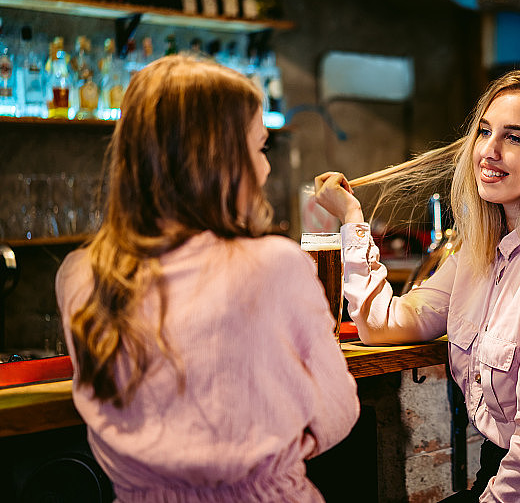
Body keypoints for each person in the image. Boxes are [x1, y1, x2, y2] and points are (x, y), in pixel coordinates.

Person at [314, 70, 520, 502]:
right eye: (485, 131)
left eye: (515, 138)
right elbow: (382, 324)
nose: (488, 152)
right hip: (508, 472)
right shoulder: (479, 258)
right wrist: (351, 219)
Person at [56, 54, 359, 502]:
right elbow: (337, 410)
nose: (266, 168)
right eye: (259, 148)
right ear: (220, 159)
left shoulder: (79, 274)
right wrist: (266, 462)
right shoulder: (275, 265)